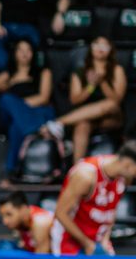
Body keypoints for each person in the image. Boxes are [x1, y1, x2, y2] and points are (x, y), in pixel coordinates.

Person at [51, 143, 136, 256]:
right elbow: (61, 213)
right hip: (70, 239)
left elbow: (112, 209)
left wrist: (105, 238)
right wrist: (86, 243)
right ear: (127, 164)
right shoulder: (85, 176)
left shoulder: (123, 176)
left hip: (97, 240)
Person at [42, 36, 126, 164]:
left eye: (105, 46)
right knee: (82, 126)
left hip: (112, 118)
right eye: (97, 44)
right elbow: (75, 100)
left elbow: (117, 100)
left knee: (110, 104)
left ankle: (58, 122)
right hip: (87, 117)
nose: (100, 48)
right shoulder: (80, 72)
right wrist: (91, 86)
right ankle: (77, 169)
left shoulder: (117, 70)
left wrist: (102, 82)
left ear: (111, 50)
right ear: (91, 48)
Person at [0, 38, 53, 176]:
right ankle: (33, 130)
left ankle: (10, 171)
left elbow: (44, 97)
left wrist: (19, 107)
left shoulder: (43, 72)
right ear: (14, 53)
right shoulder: (9, 75)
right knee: (6, 100)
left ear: (33, 53)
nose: (24, 54)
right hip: (22, 119)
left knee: (15, 126)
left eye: (28, 50)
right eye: (20, 50)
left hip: (38, 112)